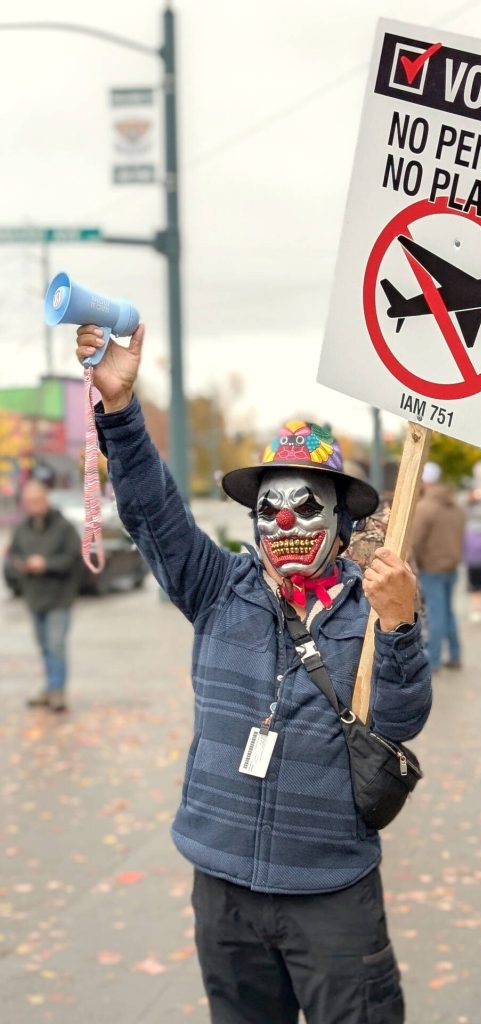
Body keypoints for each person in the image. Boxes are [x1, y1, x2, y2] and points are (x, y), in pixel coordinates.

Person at [74, 322, 431, 1024]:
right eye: (269, 506)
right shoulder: (216, 587)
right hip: (224, 885)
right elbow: (153, 511)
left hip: (331, 889)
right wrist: (118, 409)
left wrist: (400, 628)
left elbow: (399, 723)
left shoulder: (378, 600)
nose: (285, 520)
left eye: (306, 505)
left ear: (337, 514)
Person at [7, 479, 82, 712]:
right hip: (34, 597)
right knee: (44, 646)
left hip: (59, 597)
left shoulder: (64, 527)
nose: (33, 505)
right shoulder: (21, 529)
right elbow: (11, 559)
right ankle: (49, 687)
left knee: (56, 645)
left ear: (46, 499)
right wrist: (21, 565)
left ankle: (57, 692)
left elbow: (73, 559)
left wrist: (46, 564)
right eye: (29, 501)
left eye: (37, 499)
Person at [410, 462, 465, 672]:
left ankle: (432, 661)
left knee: (435, 614)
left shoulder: (425, 508)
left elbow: (414, 542)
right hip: (451, 567)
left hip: (431, 568)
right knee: (448, 612)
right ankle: (455, 653)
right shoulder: (455, 506)